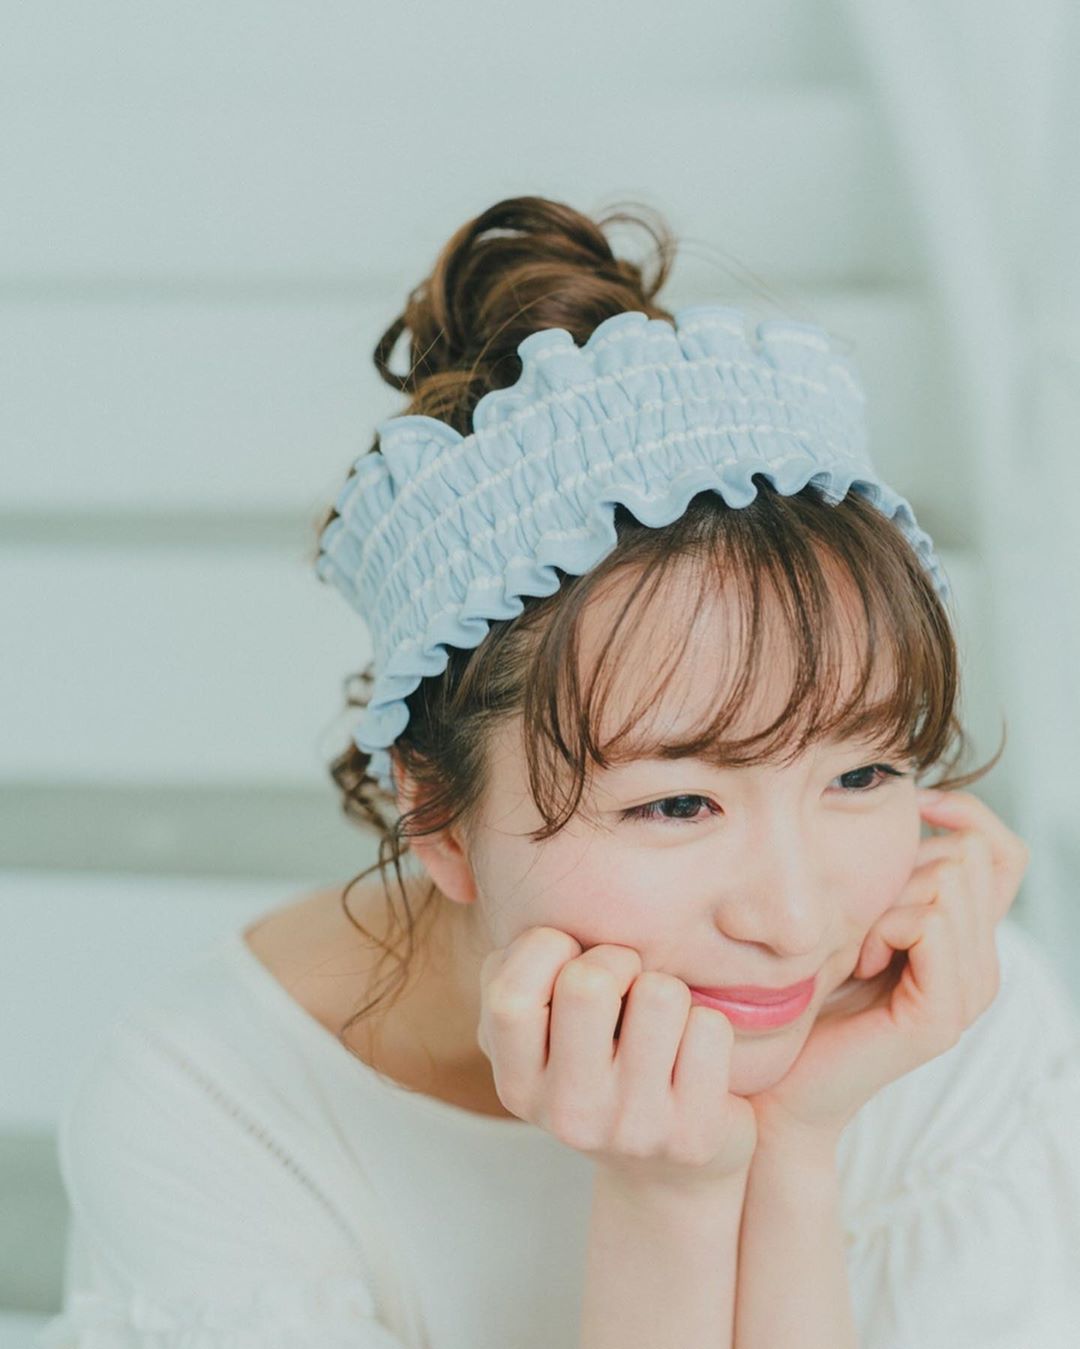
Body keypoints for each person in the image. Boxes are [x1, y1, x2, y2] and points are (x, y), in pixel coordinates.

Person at [40, 196, 1080, 1349]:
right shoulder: (217, 1112)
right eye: (677, 801)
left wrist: (792, 1146)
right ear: (436, 809)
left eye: (864, 773)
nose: (795, 920)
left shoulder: (949, 1021)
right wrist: (668, 1201)